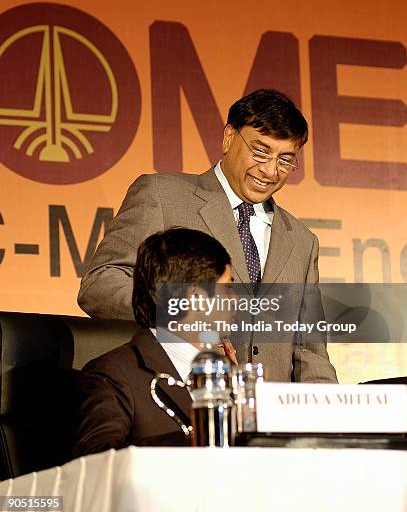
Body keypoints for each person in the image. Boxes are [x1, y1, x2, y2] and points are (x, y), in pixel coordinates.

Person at [78, 88, 337, 382]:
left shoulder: (302, 241)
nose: (270, 171)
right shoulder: (162, 196)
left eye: (285, 160)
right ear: (229, 138)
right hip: (177, 398)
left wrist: (327, 416)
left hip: (268, 417)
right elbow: (99, 284)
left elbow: (310, 350)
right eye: (260, 152)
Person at [73, 227, 234, 456]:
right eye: (227, 287)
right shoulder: (114, 375)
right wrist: (204, 438)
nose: (235, 299)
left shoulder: (226, 373)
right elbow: (96, 461)